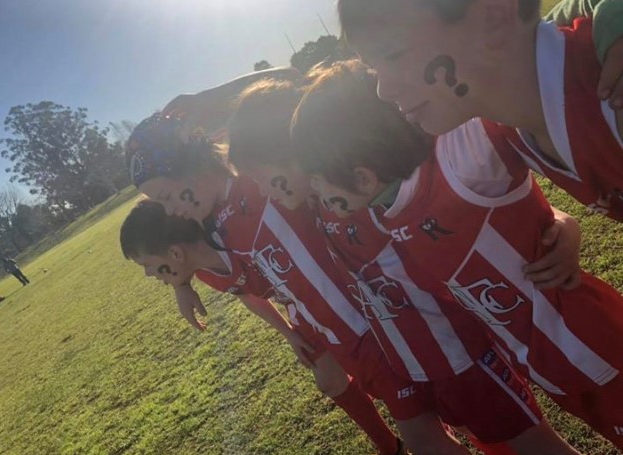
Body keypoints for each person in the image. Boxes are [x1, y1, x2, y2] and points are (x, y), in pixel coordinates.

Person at [289, 59, 623, 450]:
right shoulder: (383, 213)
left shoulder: (459, 163)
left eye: (318, 180)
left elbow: (519, 84)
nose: (314, 191)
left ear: (363, 178)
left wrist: (563, 222)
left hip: (595, 345)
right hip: (548, 366)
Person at [120, 199, 407, 455]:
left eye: (147, 265)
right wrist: (289, 334)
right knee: (329, 381)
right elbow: (249, 296)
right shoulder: (202, 270)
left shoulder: (230, 236)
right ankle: (390, 447)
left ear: (174, 253)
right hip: (300, 309)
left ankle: (417, 429)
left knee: (382, 372)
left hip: (329, 293)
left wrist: (181, 285)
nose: (148, 274)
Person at [336, 0, 623, 221]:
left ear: (494, 16)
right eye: (374, 67)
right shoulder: (506, 123)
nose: (383, 90)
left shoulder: (607, 88)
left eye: (394, 54)